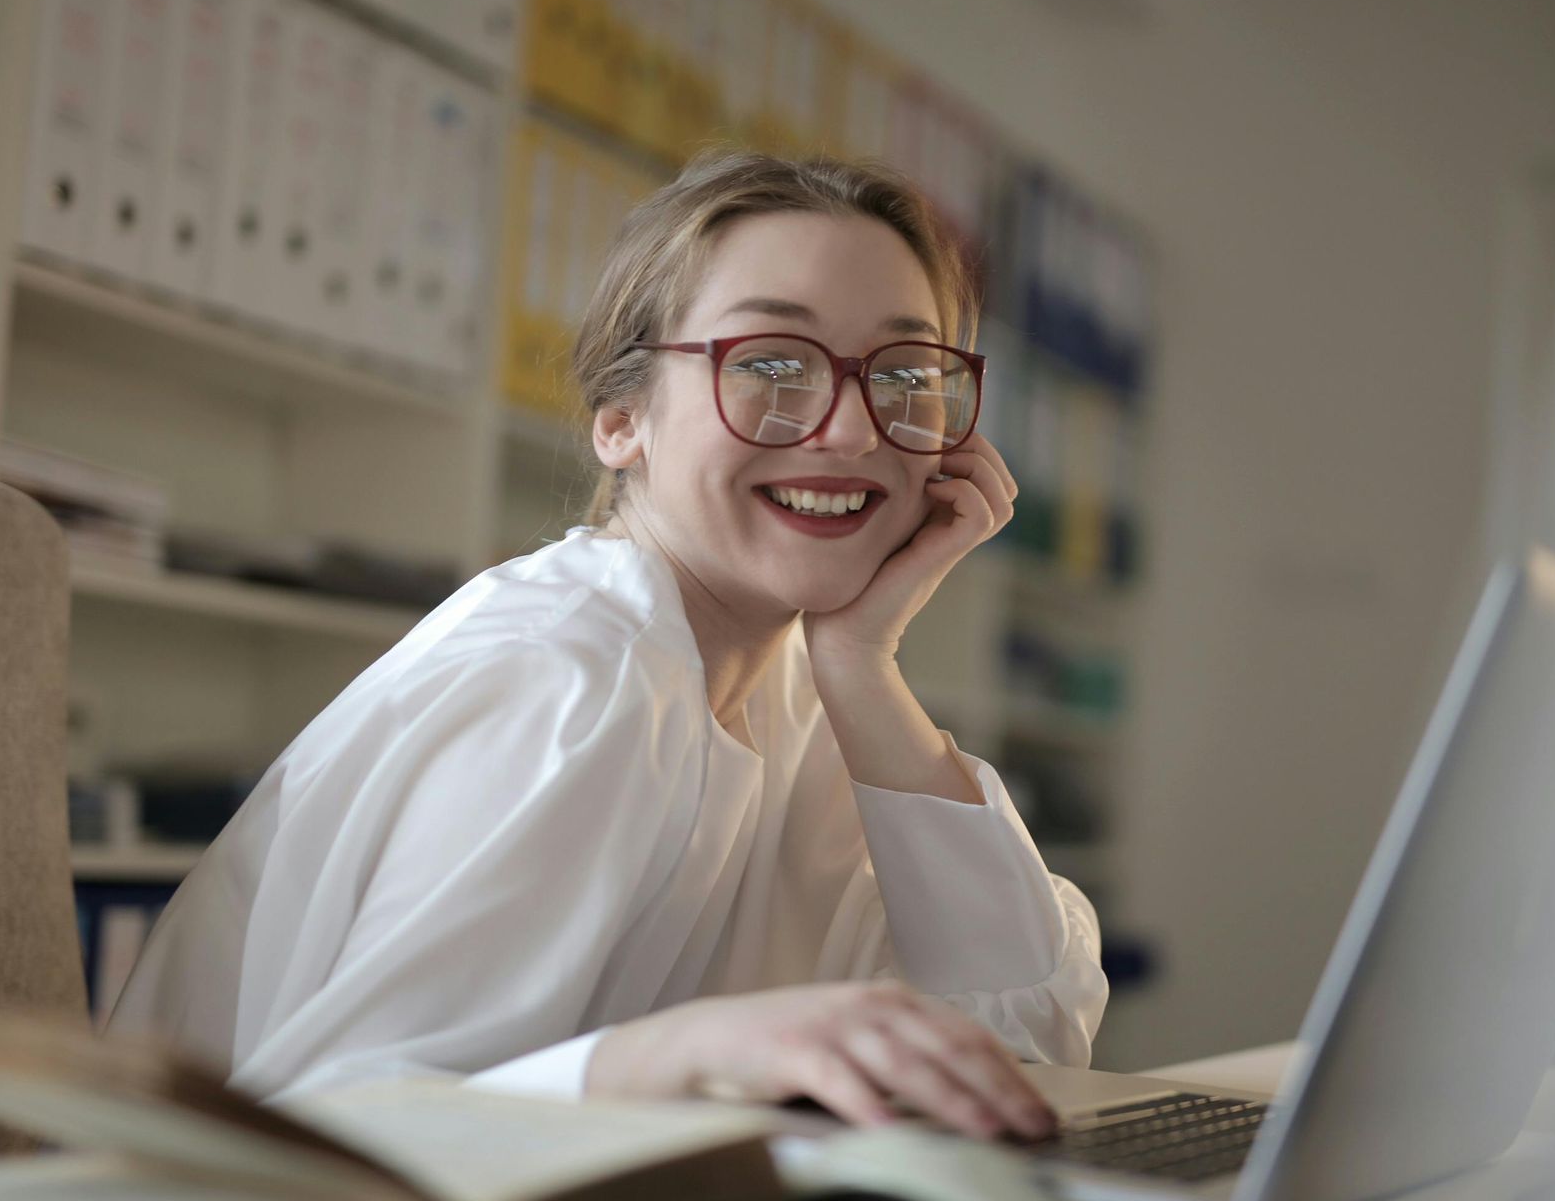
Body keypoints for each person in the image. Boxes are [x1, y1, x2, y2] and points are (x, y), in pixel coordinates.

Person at [109, 150, 1107, 1142]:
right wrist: (682, 1055)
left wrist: (862, 661)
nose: (850, 430)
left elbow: (1021, 1038)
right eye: (769, 363)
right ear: (622, 419)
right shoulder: (571, 676)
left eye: (904, 374)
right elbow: (329, 1140)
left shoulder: (803, 693)